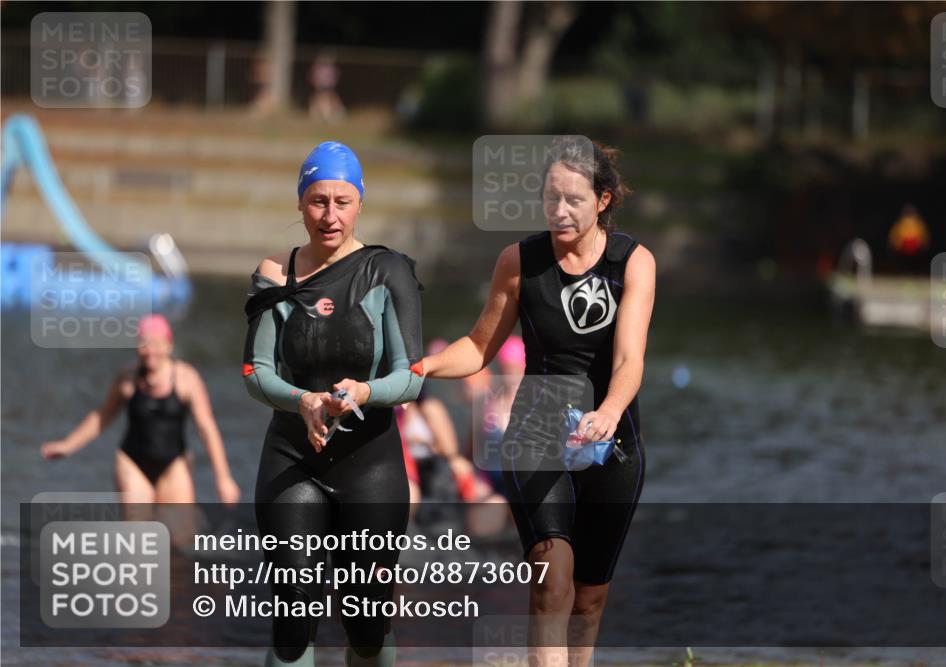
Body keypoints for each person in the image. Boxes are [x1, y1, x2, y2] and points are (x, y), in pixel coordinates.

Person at [414, 137, 655, 667]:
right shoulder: (519, 261)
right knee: (552, 577)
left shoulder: (633, 262)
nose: (560, 211)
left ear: (603, 201)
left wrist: (609, 412)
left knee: (588, 600)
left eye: (574, 199)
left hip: (612, 443)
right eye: (551, 198)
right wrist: (422, 366)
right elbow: (478, 347)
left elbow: (629, 360)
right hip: (537, 436)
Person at [243, 141, 423, 667]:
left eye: (342, 202)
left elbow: (409, 378)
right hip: (292, 462)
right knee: (295, 614)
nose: (329, 215)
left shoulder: (388, 271)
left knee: (366, 625)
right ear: (300, 204)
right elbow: (256, 372)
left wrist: (365, 392)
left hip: (371, 464)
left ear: (360, 203)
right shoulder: (276, 272)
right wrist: (303, 401)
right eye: (318, 201)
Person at [40, 314, 241, 507]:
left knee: (180, 537)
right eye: (144, 343)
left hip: (174, 463)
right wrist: (67, 445)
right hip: (132, 462)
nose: (150, 350)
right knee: (141, 535)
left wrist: (223, 478)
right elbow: (103, 416)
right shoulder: (127, 378)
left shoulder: (186, 379)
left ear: (168, 345)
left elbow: (206, 428)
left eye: (156, 343)